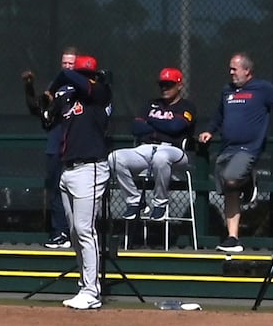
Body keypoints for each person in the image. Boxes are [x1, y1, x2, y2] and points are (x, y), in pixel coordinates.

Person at [205, 53, 273, 254]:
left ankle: (249, 182)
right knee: (229, 191)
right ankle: (233, 238)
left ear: (247, 70)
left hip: (248, 148)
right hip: (227, 148)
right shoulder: (227, 91)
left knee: (231, 178)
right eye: (230, 69)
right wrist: (209, 131)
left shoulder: (263, 89)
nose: (230, 73)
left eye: (234, 69)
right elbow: (218, 115)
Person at [42, 54, 113, 308]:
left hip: (90, 167)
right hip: (68, 169)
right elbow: (47, 119)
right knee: (74, 232)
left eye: (85, 75)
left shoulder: (100, 92)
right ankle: (85, 286)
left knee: (85, 230)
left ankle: (92, 292)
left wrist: (56, 83)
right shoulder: (69, 98)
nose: (81, 80)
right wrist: (47, 101)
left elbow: (69, 77)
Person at [106, 66, 196, 245]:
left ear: (179, 85)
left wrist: (151, 122)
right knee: (115, 158)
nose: (164, 88)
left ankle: (160, 203)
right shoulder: (151, 104)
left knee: (161, 157)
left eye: (169, 84)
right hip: (146, 149)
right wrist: (163, 124)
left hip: (175, 151)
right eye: (162, 84)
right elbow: (135, 128)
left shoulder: (186, 106)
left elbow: (175, 128)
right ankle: (135, 201)